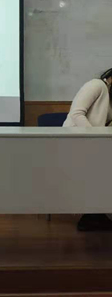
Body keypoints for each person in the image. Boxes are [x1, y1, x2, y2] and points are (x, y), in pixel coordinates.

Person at [63, 67, 112, 231]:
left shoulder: (109, 96)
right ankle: (91, 216)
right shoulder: (96, 85)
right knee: (100, 171)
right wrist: (95, 138)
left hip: (91, 144)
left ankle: (95, 214)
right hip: (75, 142)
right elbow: (77, 114)